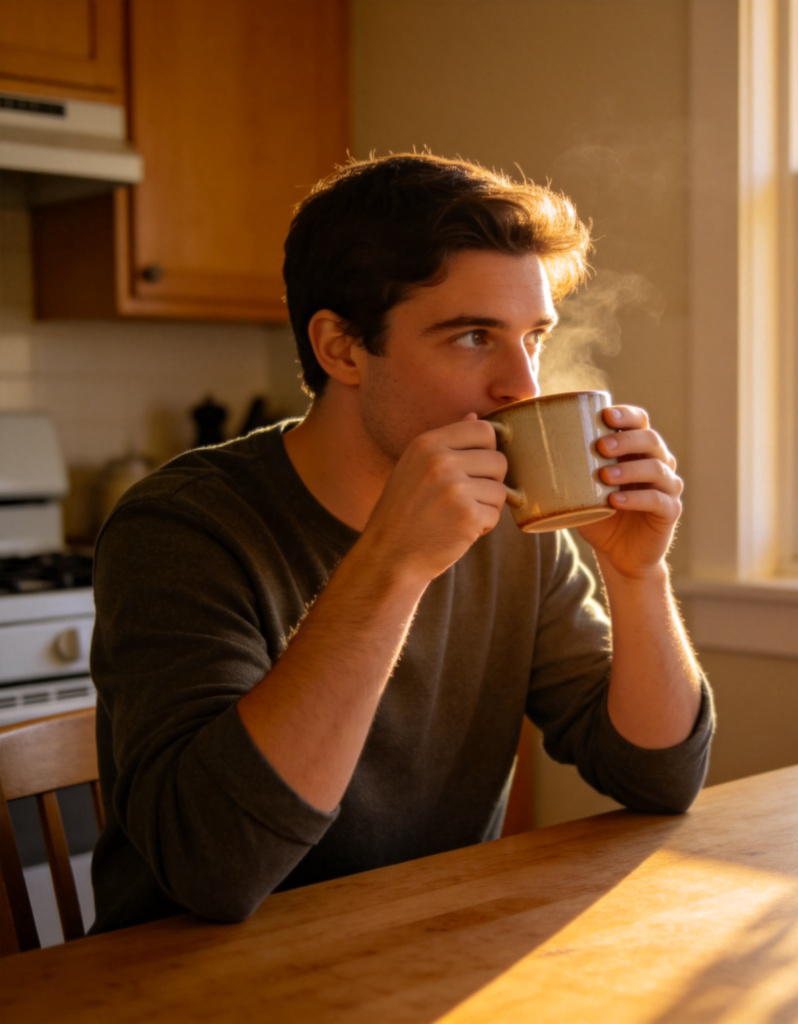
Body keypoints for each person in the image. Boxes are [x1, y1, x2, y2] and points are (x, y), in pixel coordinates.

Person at [88, 153, 714, 933]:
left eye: (534, 337)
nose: (521, 385)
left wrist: (636, 574)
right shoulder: (182, 528)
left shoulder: (516, 520)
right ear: (342, 348)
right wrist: (393, 563)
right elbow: (216, 866)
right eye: (473, 337)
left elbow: (657, 776)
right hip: (184, 986)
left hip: (419, 958)